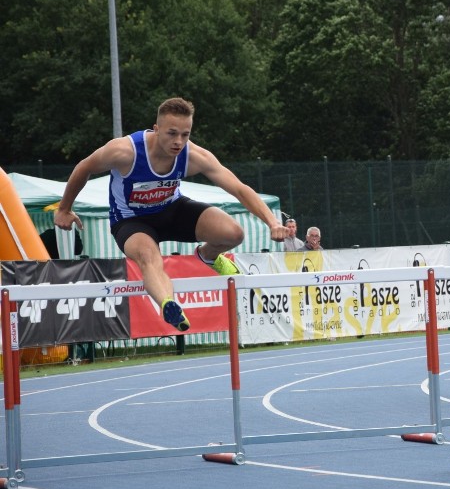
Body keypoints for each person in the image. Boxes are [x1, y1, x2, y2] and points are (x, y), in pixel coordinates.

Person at [54, 97, 287, 332]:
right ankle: (168, 303)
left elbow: (238, 188)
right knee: (149, 257)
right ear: (156, 130)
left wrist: (272, 221)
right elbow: (84, 167)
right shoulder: (125, 152)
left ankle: (208, 256)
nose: (178, 142)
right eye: (172, 133)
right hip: (131, 220)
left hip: (172, 210)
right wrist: (64, 208)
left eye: (185, 135)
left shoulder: (194, 156)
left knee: (233, 233)